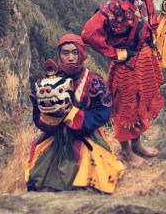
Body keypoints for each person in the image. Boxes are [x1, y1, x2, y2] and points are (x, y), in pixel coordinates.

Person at [82, 0, 164, 167]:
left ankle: (138, 142)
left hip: (144, 59)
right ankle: (126, 150)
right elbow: (89, 33)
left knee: (142, 103)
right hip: (126, 62)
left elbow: (152, 24)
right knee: (126, 104)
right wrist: (114, 53)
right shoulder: (115, 4)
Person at [25, 34, 125, 193]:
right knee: (40, 181)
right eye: (65, 53)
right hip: (57, 137)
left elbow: (103, 113)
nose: (70, 57)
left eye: (75, 52)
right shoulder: (49, 82)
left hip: (87, 135)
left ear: (81, 53)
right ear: (59, 55)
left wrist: (73, 115)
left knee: (90, 180)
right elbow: (38, 116)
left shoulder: (94, 81)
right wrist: (51, 117)